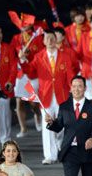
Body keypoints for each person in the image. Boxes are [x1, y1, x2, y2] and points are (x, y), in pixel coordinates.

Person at [19, 30, 77, 164]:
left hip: (62, 95)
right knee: (48, 125)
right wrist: (23, 60)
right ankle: (50, 155)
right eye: (47, 39)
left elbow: (70, 74)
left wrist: (74, 89)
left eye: (52, 38)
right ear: (43, 41)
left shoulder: (65, 56)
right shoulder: (39, 57)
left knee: (64, 125)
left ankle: (63, 150)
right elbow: (31, 72)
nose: (50, 41)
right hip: (45, 97)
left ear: (56, 40)